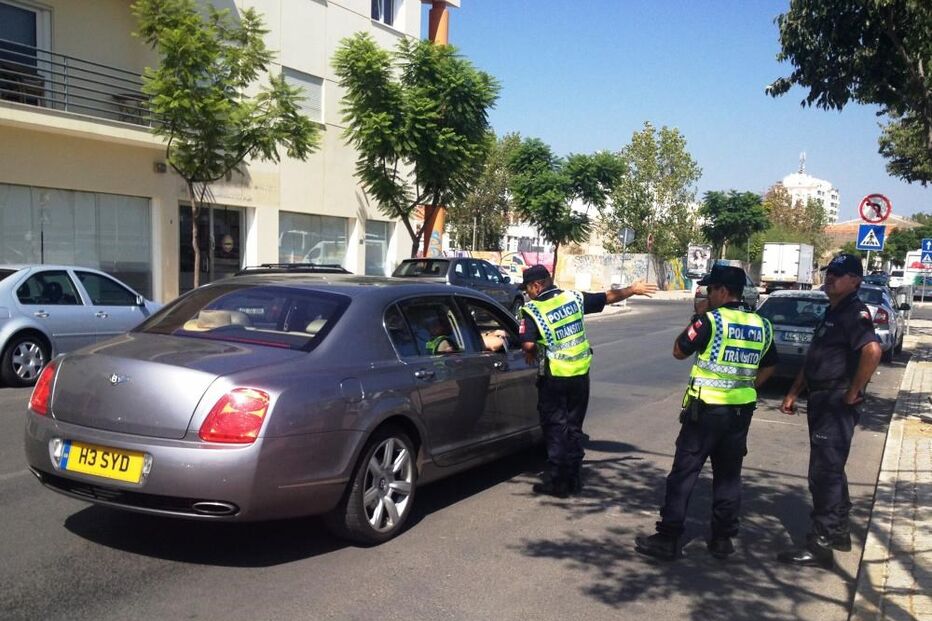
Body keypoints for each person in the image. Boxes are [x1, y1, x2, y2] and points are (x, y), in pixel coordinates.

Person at [635, 263, 777, 561]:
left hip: (706, 412)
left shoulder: (711, 321)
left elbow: (678, 351)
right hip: (740, 414)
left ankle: (669, 537)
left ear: (723, 291)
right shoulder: (762, 324)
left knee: (684, 474)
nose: (707, 294)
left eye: (710, 289)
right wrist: (747, 385)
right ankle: (723, 539)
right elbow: (769, 365)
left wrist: (697, 317)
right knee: (728, 477)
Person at [777, 253, 881, 569]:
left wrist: (853, 391)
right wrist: (794, 392)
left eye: (839, 273)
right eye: (829, 272)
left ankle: (820, 543)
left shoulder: (854, 313)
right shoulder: (832, 311)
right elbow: (815, 358)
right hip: (821, 399)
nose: (830, 277)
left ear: (855, 281)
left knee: (823, 473)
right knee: (832, 469)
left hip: (836, 402)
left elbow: (873, 350)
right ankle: (838, 532)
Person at [519, 264, 657, 498]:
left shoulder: (532, 309)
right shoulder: (573, 298)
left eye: (527, 289)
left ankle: (557, 481)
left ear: (536, 285)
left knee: (555, 428)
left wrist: (531, 350)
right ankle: (574, 478)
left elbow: (528, 345)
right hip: (580, 375)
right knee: (573, 428)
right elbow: (607, 297)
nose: (527, 294)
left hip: (554, 377)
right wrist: (632, 290)